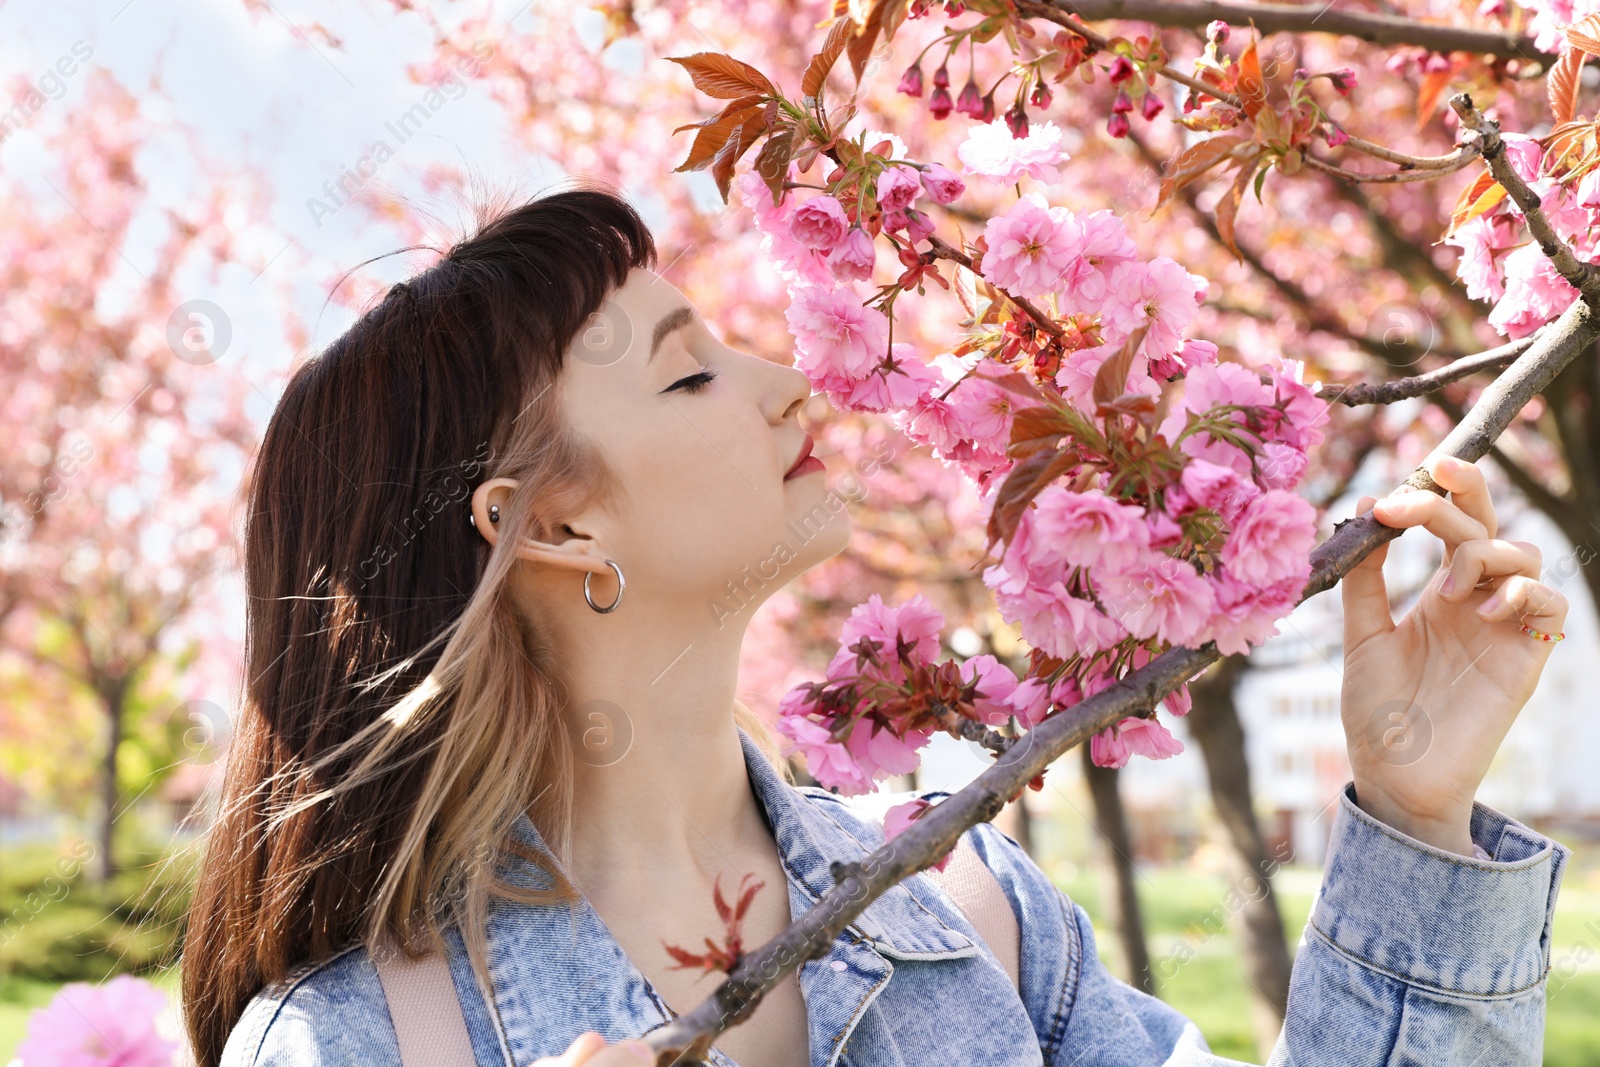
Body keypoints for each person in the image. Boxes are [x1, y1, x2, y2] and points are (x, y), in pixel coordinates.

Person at [184, 187, 1572, 1067]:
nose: (790, 384)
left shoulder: (975, 912)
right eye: (689, 378)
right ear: (548, 526)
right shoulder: (356, 1042)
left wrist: (1413, 819)